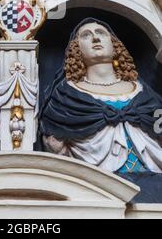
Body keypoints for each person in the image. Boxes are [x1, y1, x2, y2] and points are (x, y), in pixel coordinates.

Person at [40, 18, 162, 174]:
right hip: (94, 187)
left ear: (114, 45)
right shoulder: (64, 97)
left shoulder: (144, 93)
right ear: (76, 48)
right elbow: (57, 145)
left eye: (101, 33)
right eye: (86, 35)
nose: (95, 38)